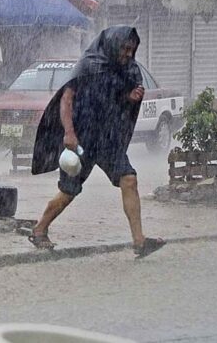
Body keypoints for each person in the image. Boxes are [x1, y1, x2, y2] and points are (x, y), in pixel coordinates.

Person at [29, 25, 166, 259]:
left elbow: (116, 99)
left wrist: (129, 98)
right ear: (113, 44)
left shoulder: (128, 70)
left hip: (109, 139)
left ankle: (139, 241)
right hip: (83, 138)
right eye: (124, 48)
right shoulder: (89, 65)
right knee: (68, 191)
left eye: (132, 50)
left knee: (129, 180)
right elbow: (67, 99)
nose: (128, 54)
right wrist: (69, 133)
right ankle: (40, 229)